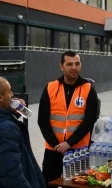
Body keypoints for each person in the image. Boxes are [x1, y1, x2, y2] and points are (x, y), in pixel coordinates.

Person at [38, 51, 99, 187]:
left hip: (79, 150)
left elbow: (89, 121)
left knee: (78, 184)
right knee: (48, 183)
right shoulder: (50, 87)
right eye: (69, 64)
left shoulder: (88, 89)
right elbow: (42, 121)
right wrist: (56, 144)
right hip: (54, 149)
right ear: (61, 66)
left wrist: (69, 143)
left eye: (77, 64)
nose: (74, 67)